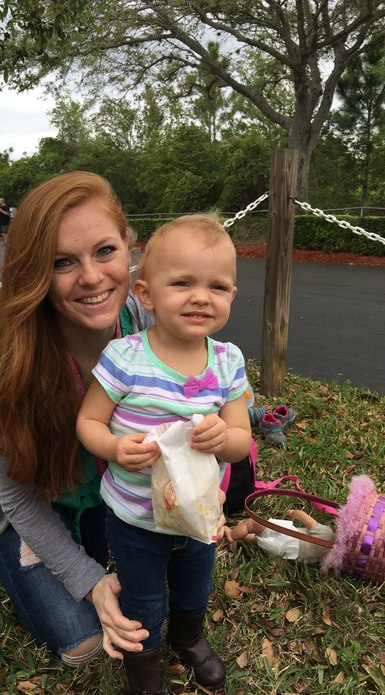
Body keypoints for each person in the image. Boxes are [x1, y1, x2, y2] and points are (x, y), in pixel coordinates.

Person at [0, 172, 227, 680]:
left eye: (104, 251)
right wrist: (90, 582)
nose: (91, 277)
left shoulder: (150, 318)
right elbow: (17, 492)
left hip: (117, 493)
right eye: (62, 262)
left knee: (166, 587)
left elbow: (200, 395)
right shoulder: (3, 365)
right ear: (33, 272)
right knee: (85, 641)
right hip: (36, 498)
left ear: (129, 248)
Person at [76, 214, 252, 694]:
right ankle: (145, 673)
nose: (201, 297)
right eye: (182, 283)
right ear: (146, 294)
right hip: (135, 517)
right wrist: (112, 446)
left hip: (198, 515)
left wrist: (224, 438)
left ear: (232, 297)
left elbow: (240, 438)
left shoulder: (227, 362)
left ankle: (189, 638)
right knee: (144, 597)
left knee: (195, 587)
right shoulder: (125, 358)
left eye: (218, 286)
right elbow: (88, 421)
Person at [224, 509, 335, 563]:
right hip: (287, 553)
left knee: (252, 524)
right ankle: (241, 535)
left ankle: (231, 535)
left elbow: (303, 517)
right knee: (256, 539)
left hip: (288, 535)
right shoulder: (332, 558)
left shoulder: (326, 532)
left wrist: (293, 513)